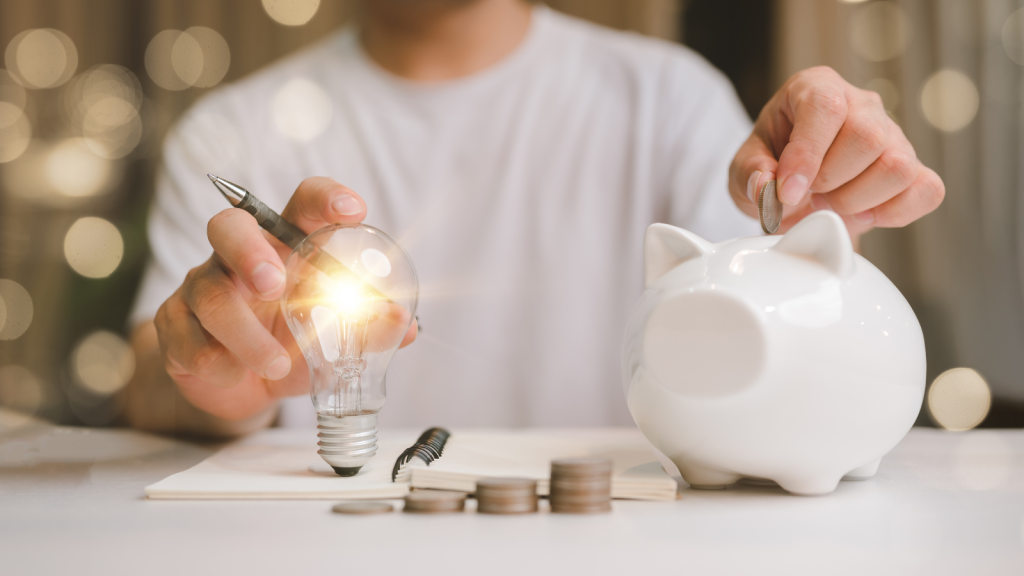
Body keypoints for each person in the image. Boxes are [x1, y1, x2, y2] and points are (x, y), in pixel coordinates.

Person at [125, 0, 944, 437]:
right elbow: (149, 389)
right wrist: (215, 376)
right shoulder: (235, 128)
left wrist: (812, 234)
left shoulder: (668, 101)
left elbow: (769, 365)